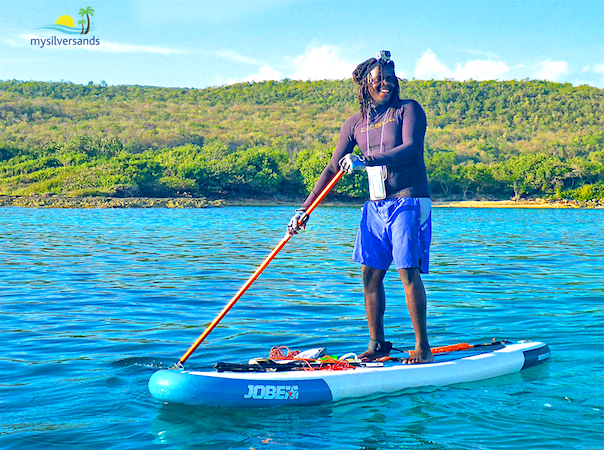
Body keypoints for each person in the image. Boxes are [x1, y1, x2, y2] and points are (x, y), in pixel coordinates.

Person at [287, 51, 434, 364]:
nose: (386, 85)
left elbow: (410, 149)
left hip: (408, 200)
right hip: (376, 207)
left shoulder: (409, 110)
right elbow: (331, 169)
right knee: (370, 276)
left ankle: (422, 348)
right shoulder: (354, 124)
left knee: (407, 270)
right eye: (378, 80)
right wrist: (304, 210)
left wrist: (364, 160)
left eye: (390, 79)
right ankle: (377, 344)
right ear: (365, 85)